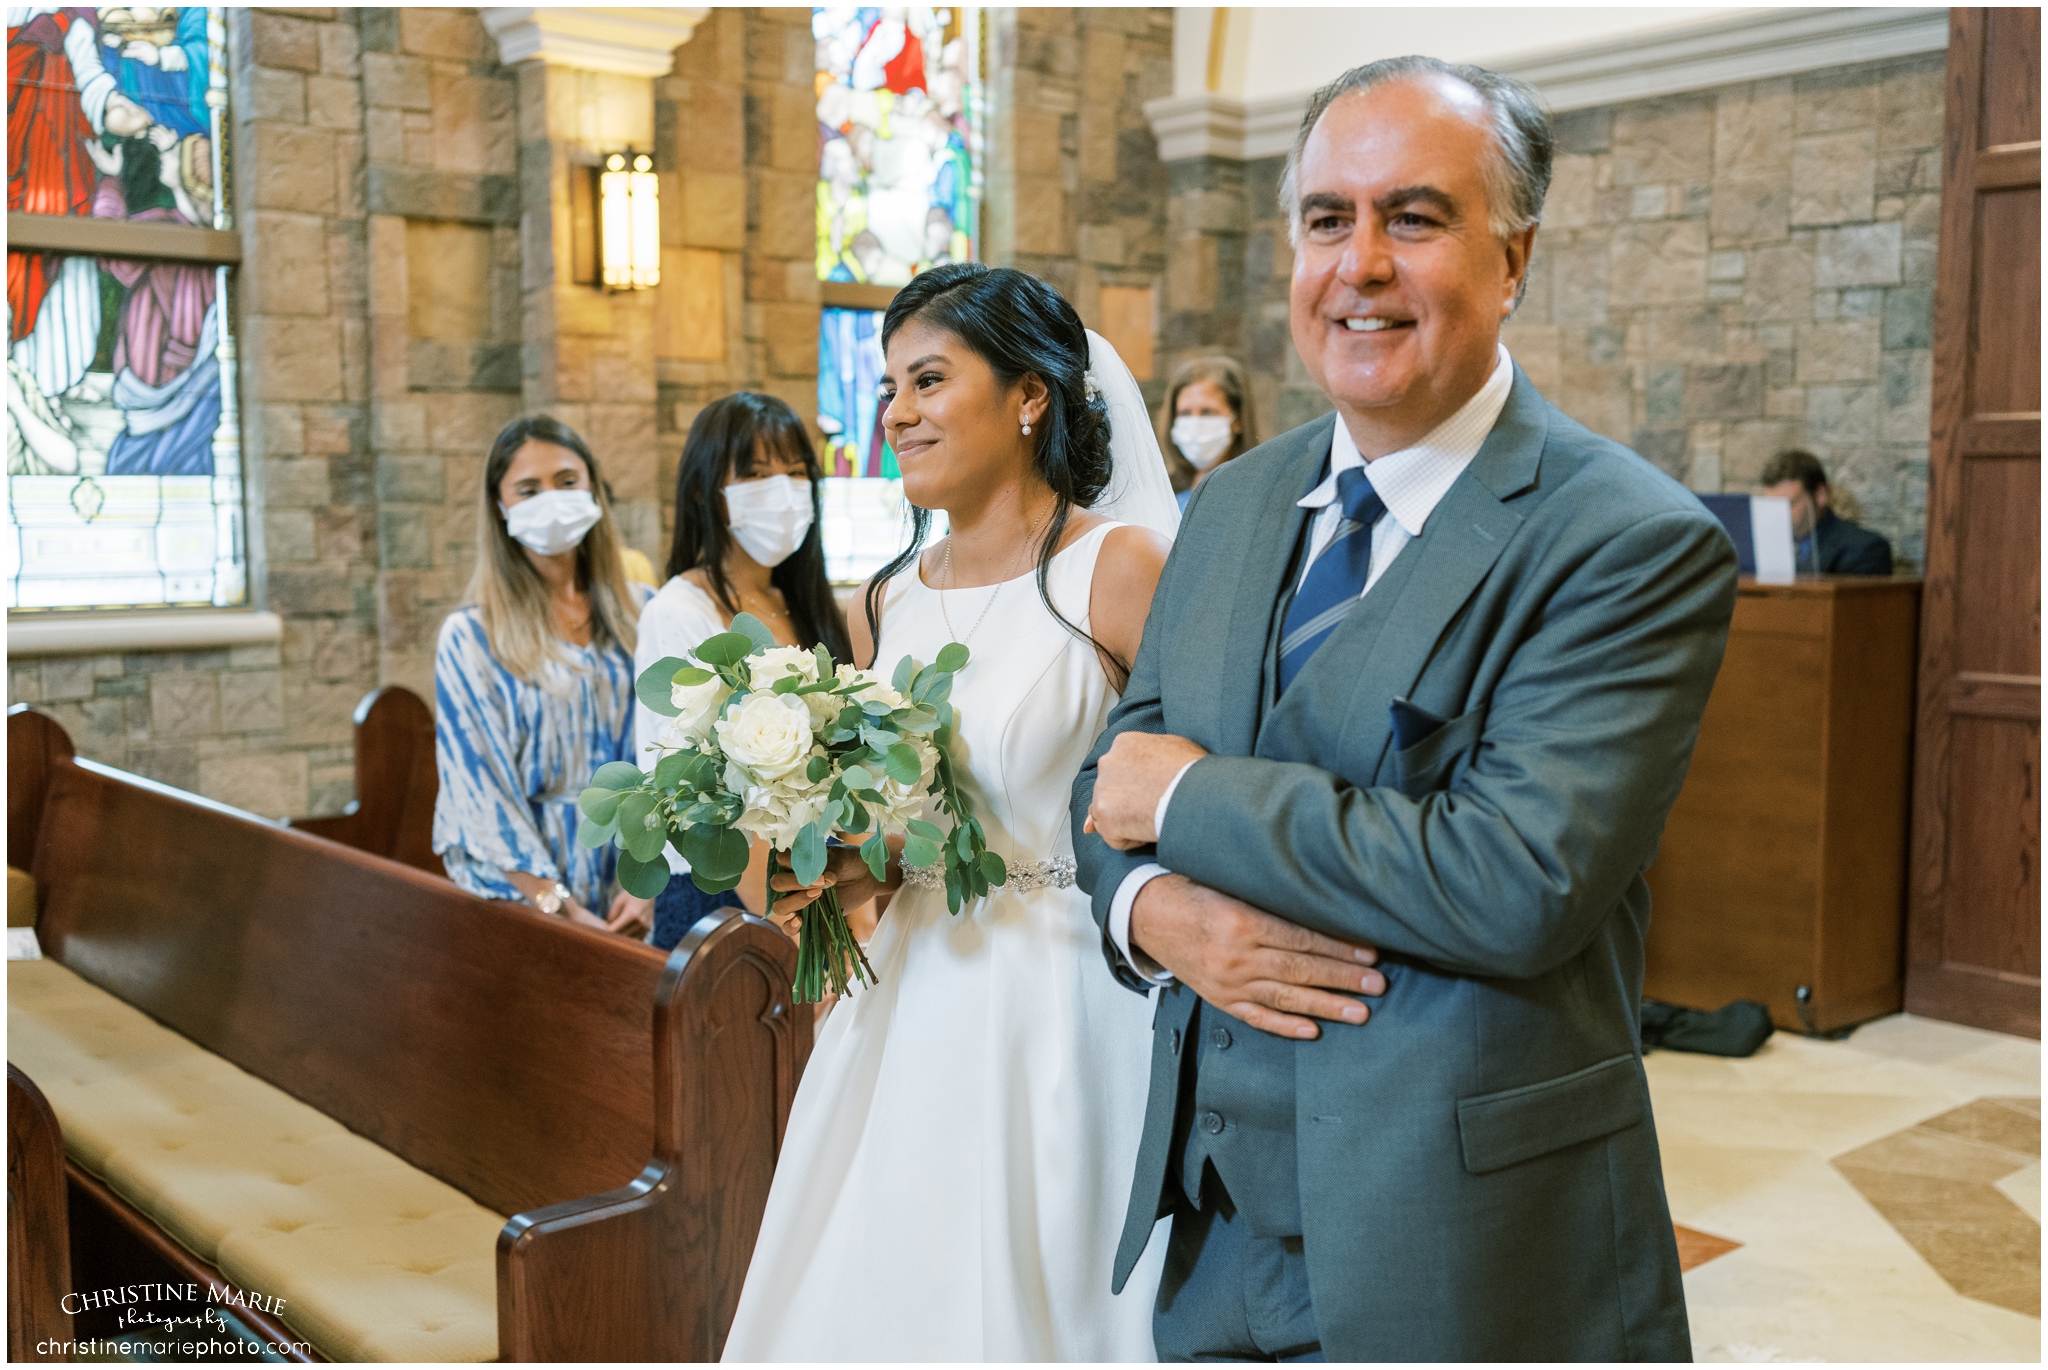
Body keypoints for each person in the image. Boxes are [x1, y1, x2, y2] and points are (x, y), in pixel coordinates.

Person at [1074, 57, 1737, 1361]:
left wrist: (1195, 801)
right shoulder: (1230, 507)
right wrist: (1149, 908)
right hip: (1213, 1236)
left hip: (1468, 1247)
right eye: (1328, 219)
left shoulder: (1627, 542)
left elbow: (1514, 877)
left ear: (1514, 257)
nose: (1360, 262)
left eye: (1414, 217)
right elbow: (1113, 781)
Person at [719, 262, 1180, 1361]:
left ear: (1029, 395)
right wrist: (820, 850)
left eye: (929, 380)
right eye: (889, 388)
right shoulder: (891, 593)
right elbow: (894, 824)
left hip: (1069, 996)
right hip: (910, 989)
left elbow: (1184, 791)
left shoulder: (1117, 570)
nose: (898, 413)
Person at [628, 391, 852, 951]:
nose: (782, 492)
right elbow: (703, 801)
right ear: (707, 491)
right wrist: (792, 929)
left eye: (797, 473)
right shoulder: (680, 611)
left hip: (815, 883)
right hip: (723, 893)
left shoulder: (808, 604)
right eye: (756, 474)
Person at [433, 414, 652, 938]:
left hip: (635, 891)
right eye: (528, 489)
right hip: (522, 901)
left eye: (567, 482)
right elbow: (480, 791)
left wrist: (646, 882)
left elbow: (670, 756)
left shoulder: (645, 612)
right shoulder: (470, 637)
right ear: (500, 506)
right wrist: (557, 906)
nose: (550, 499)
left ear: (594, 490)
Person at [1760, 447, 1893, 575]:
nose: (1779, 515)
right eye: (1772, 506)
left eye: (1788, 504)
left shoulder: (1864, 549)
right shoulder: (1762, 548)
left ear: (1820, 495)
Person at [1159, 356, 1256, 511]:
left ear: (1238, 420)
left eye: (1207, 412)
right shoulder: (1164, 492)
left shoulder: (1256, 492)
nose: (1195, 423)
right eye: (1185, 413)